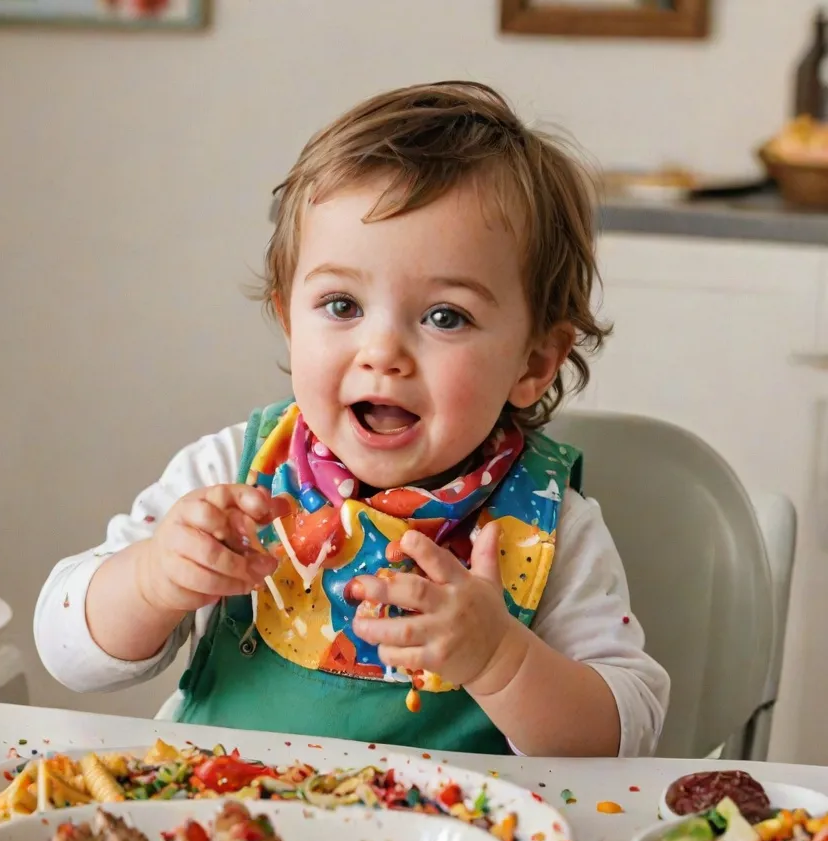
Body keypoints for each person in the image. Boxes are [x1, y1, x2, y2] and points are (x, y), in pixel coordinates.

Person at [34, 81, 669, 757]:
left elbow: (622, 736)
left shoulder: (551, 523)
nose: (382, 353)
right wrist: (151, 580)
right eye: (341, 305)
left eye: (445, 317)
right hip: (216, 830)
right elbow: (67, 652)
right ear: (287, 321)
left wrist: (499, 661)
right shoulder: (229, 473)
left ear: (534, 363)